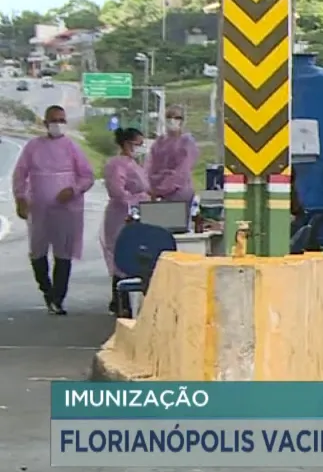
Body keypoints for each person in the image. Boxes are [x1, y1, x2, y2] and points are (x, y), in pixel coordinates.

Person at [12, 105, 96, 315]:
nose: (58, 124)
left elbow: (87, 176)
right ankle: (46, 289)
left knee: (63, 253)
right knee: (37, 252)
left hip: (66, 209)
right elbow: (19, 174)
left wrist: (74, 190)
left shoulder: (72, 147)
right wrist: (20, 198)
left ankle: (58, 298)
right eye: (54, 120)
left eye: (62, 120)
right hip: (39, 208)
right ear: (45, 123)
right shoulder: (33, 147)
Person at [102, 128, 150, 316]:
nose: (141, 148)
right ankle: (119, 301)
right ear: (127, 143)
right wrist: (136, 202)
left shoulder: (134, 164)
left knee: (132, 257)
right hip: (121, 215)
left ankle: (124, 301)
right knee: (121, 258)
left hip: (136, 214)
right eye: (138, 143)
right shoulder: (116, 165)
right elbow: (117, 192)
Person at [146, 105, 199, 205]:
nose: (172, 120)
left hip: (179, 192)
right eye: (169, 117)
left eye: (177, 118)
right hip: (157, 192)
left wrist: (163, 188)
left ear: (183, 121)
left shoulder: (187, 142)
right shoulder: (160, 142)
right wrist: (151, 187)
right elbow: (150, 165)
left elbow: (182, 170)